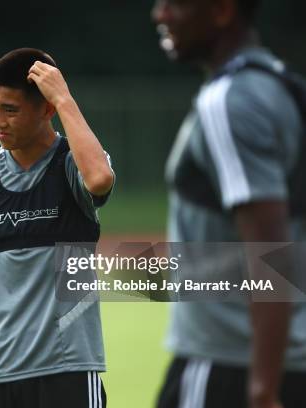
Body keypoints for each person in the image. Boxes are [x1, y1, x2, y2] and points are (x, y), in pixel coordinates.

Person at [151, 0, 306, 407]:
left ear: (222, 11)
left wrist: (263, 389)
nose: (160, 15)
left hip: (230, 366)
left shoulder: (228, 101)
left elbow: (268, 247)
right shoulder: (282, 85)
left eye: (174, 4)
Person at [0, 48, 115, 408]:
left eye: (10, 110)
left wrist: (65, 98)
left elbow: (100, 180)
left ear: (46, 110)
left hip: (66, 366)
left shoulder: (74, 166)